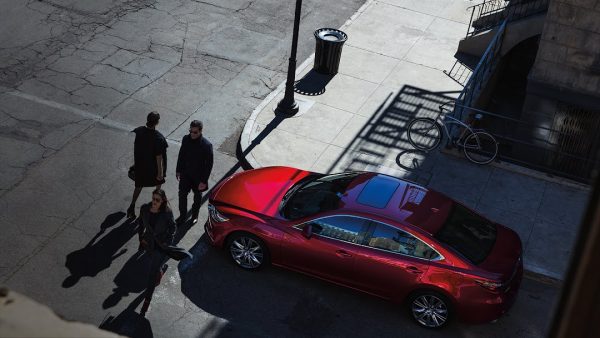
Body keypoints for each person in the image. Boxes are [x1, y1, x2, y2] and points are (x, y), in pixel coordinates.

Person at [137, 189, 176, 316]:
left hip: (161, 245)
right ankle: (160, 270)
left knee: (151, 274)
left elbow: (173, 228)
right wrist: (141, 238)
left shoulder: (167, 213)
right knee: (154, 265)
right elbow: (141, 223)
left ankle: (146, 301)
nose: (154, 202)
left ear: (162, 201)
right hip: (149, 244)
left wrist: (167, 243)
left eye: (157, 200)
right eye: (153, 198)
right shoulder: (145, 209)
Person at [127, 112, 168, 219]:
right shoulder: (158, 138)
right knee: (158, 186)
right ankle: (154, 207)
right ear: (157, 122)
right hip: (153, 169)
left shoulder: (139, 131)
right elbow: (159, 158)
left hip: (141, 166)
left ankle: (132, 205)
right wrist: (160, 173)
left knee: (138, 186)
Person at [176, 120, 213, 225]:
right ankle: (182, 216)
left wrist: (204, 181)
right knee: (182, 195)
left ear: (201, 131)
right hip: (186, 174)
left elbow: (209, 165)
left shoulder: (206, 145)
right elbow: (181, 155)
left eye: (195, 132)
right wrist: (178, 170)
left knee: (197, 198)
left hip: (198, 178)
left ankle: (194, 216)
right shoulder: (185, 139)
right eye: (191, 131)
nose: (192, 134)